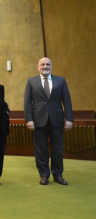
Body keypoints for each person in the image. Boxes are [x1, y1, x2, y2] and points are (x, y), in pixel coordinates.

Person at [24, 57, 73, 185]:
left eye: (48, 64)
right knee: (41, 150)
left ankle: (58, 175)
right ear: (38, 67)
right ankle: (44, 175)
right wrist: (28, 119)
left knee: (57, 149)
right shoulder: (31, 81)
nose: (45, 66)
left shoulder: (60, 80)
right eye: (42, 64)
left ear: (51, 66)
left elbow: (67, 101)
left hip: (57, 121)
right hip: (38, 121)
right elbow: (28, 102)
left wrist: (69, 119)